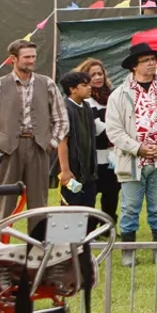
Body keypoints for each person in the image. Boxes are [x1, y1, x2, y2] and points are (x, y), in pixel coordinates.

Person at [104, 43, 157, 264]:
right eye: (146, 60)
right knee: (130, 208)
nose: (152, 64)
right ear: (134, 66)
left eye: (153, 59)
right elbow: (114, 130)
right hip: (132, 161)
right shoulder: (119, 95)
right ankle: (128, 253)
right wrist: (136, 147)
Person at [0, 38, 68, 222]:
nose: (31, 60)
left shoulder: (47, 83)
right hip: (7, 150)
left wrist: (51, 144)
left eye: (33, 56)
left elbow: (62, 119)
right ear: (13, 59)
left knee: (39, 205)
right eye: (26, 57)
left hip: (39, 147)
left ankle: (37, 249)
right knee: (4, 203)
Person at [81, 60, 121, 225]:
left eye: (100, 73)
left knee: (112, 193)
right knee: (91, 194)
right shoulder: (86, 100)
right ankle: (90, 228)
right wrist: (117, 132)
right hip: (94, 156)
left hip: (113, 155)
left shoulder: (113, 96)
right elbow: (97, 128)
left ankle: (108, 226)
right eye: (93, 75)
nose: (98, 77)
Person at [56, 69, 102, 212]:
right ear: (73, 89)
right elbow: (62, 141)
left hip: (88, 171)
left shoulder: (87, 106)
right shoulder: (65, 109)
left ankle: (87, 235)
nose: (90, 87)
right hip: (73, 171)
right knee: (71, 209)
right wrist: (65, 170)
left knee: (88, 207)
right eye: (84, 85)